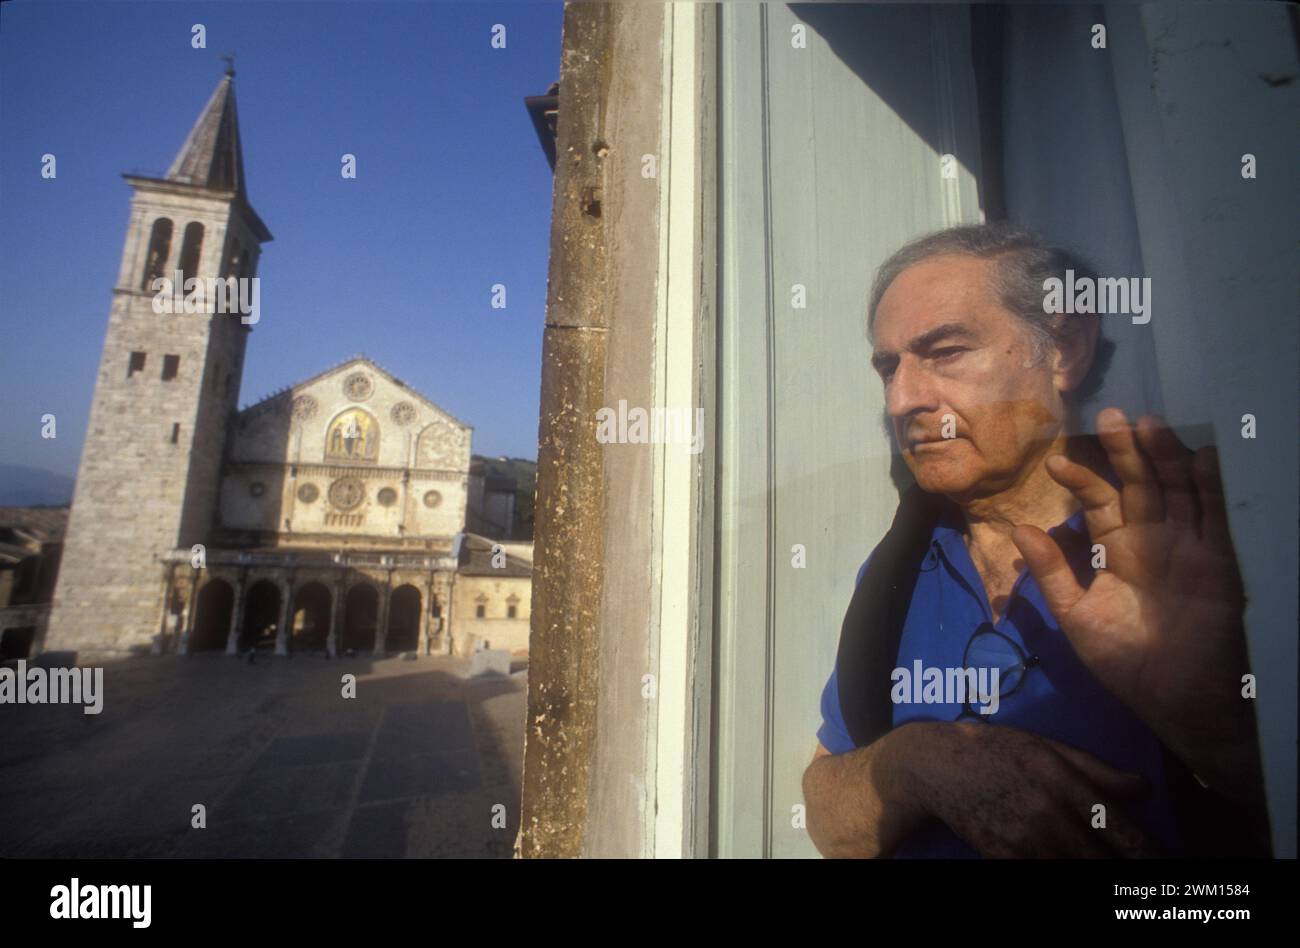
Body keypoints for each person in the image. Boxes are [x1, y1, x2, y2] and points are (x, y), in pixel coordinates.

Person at [802, 223, 1270, 858]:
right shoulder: (898, 568)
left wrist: (1216, 727)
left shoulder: (1200, 548)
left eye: (945, 351)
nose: (903, 398)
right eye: (890, 367)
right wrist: (913, 765)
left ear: (1065, 349)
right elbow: (828, 814)